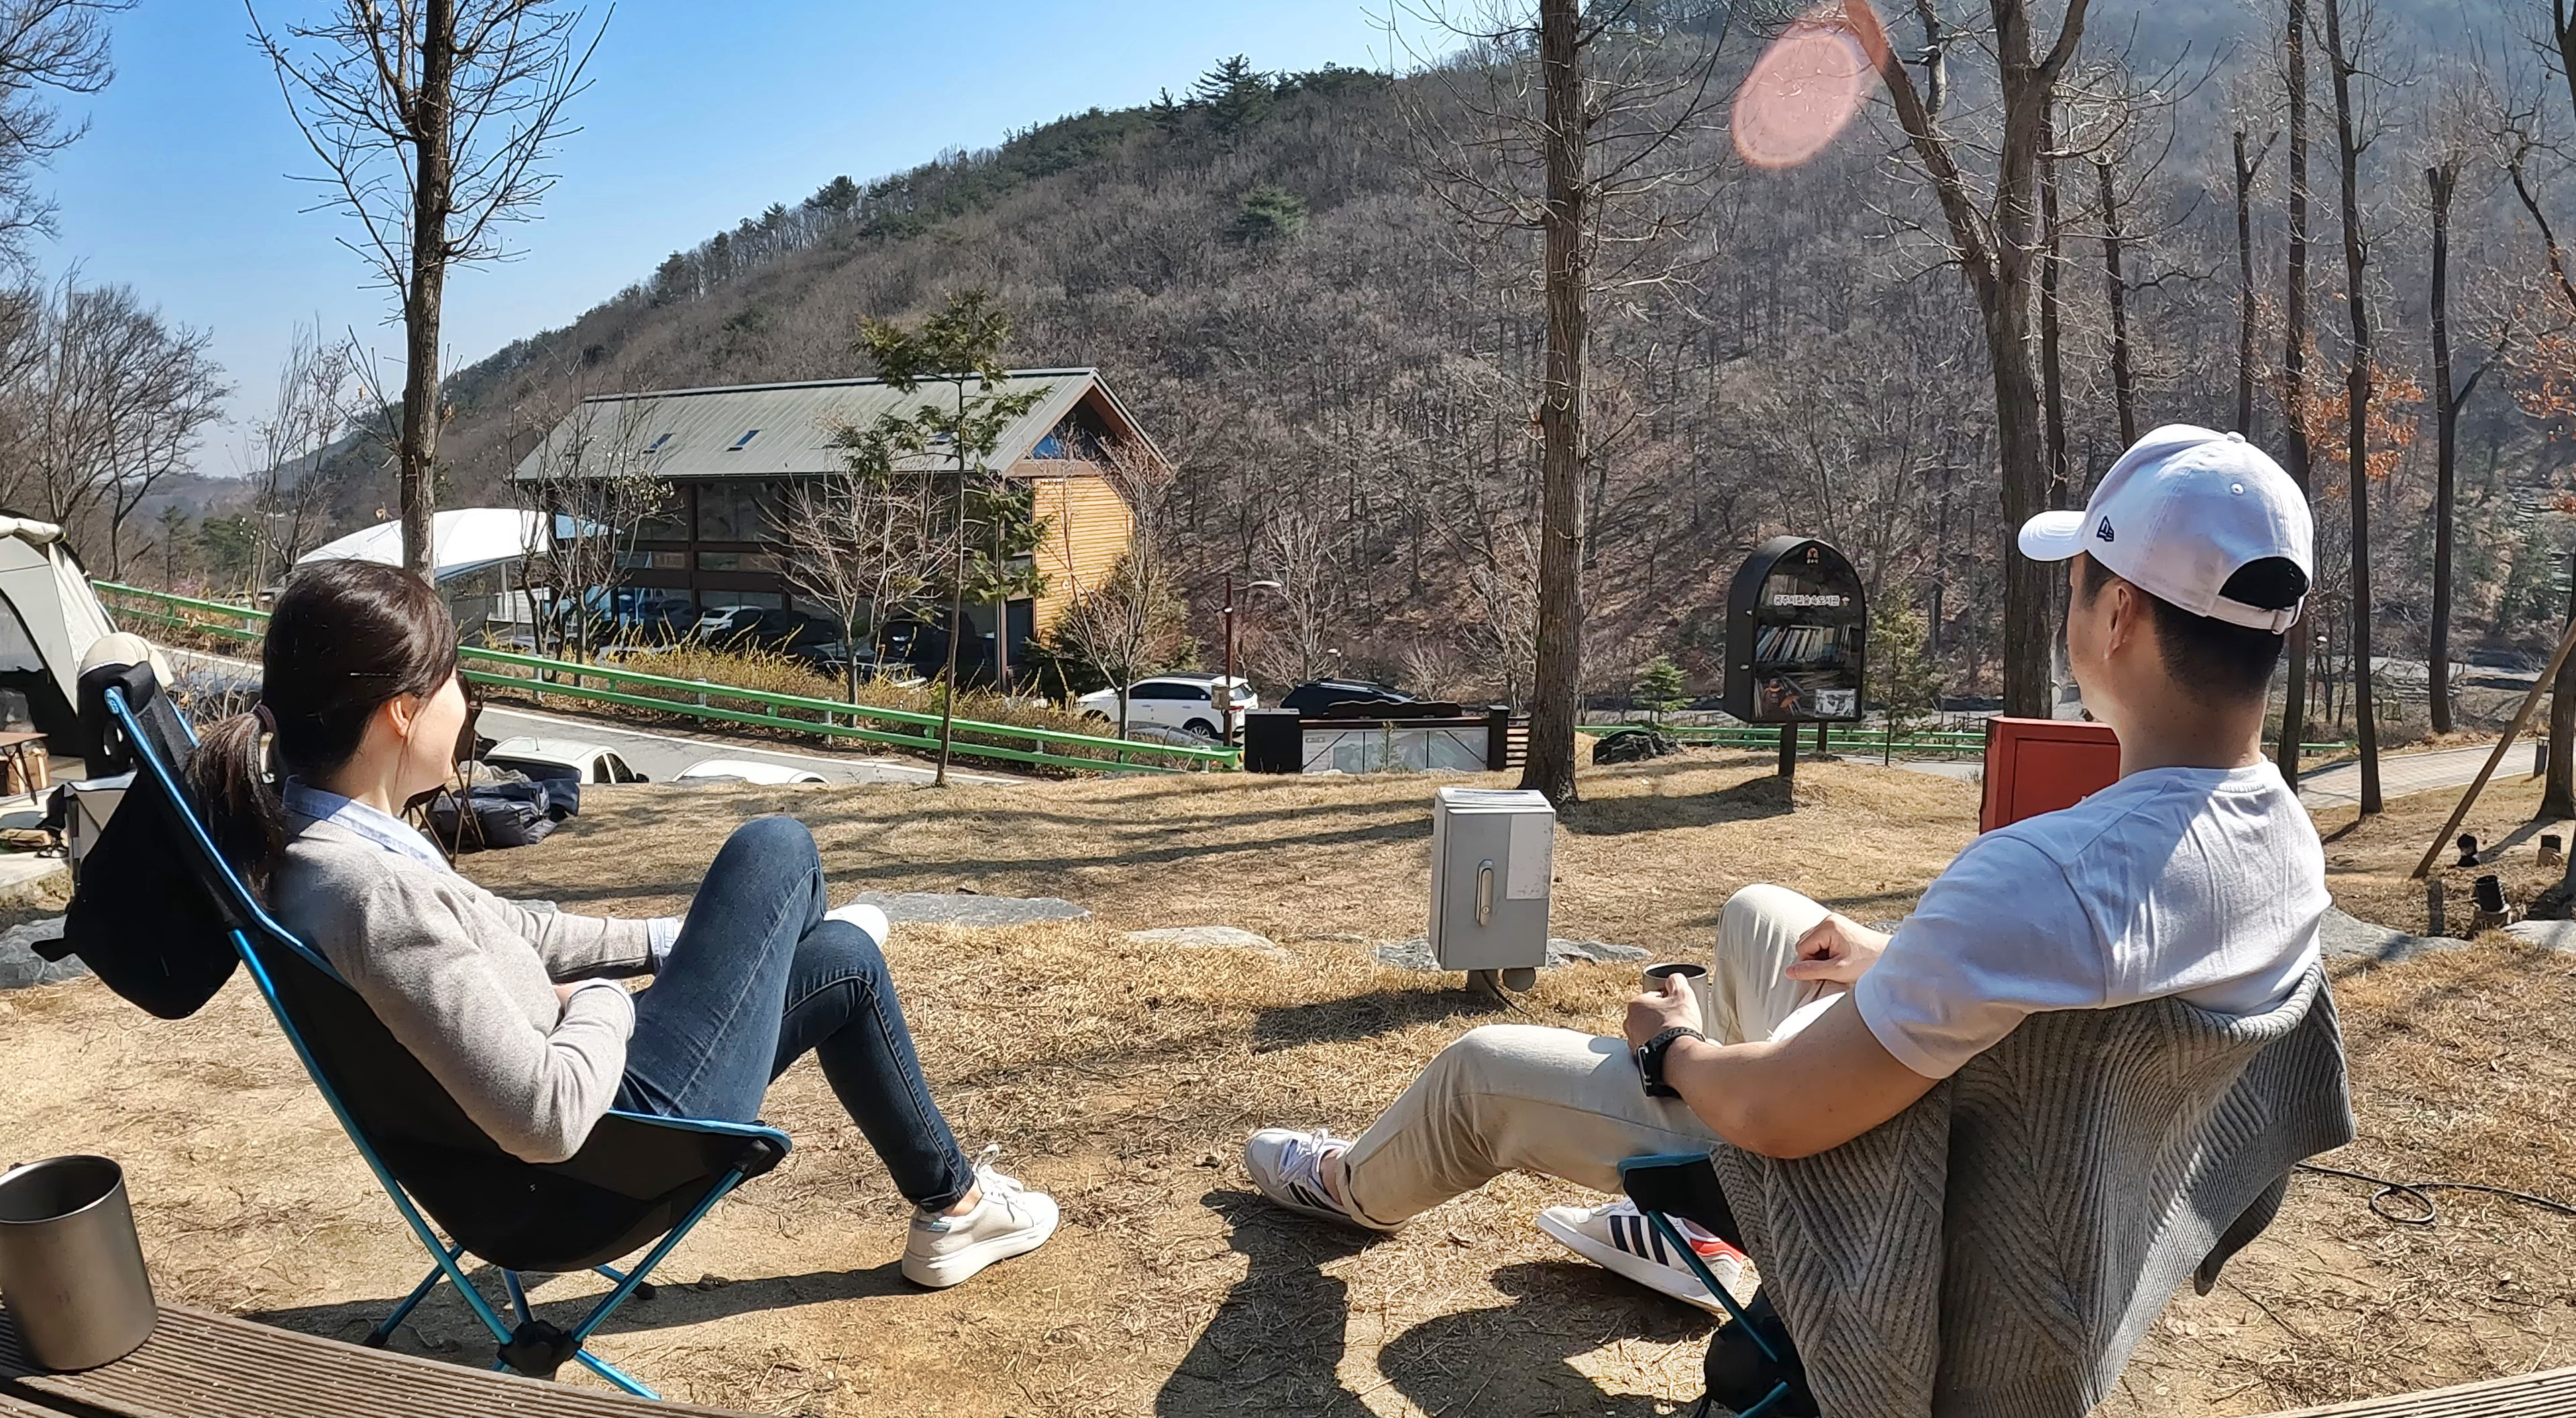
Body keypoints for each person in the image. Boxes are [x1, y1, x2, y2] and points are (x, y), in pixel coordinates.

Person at [1241, 424, 2326, 1317]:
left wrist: (1670, 1048)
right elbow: (2065, 995)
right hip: (2049, 1192)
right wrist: (1895, 958)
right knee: (1764, 915)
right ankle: (1690, 1225)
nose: (2073, 606)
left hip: (1887, 1198)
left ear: (2121, 615)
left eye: (2079, 583)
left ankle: (1353, 1185)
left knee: (1481, 1067)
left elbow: (1776, 1115)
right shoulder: (2280, 842)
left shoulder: (2044, 876)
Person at [192, 560, 1055, 1289]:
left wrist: (671, 942)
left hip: (576, 1134)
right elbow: (546, 1117)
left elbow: (513, 933)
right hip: (608, 1159)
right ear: (402, 712)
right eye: (453, 679)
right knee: (776, 846)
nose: (466, 698)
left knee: (842, 957)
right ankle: (944, 1186)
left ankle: (954, 1207)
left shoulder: (320, 847)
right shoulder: (373, 895)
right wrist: (603, 997)